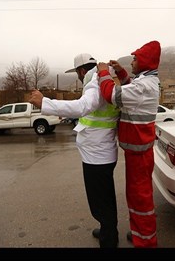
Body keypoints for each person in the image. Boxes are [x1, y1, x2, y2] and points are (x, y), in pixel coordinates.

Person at [29, 54, 120, 248]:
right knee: (104, 199)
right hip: (100, 151)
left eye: (78, 74)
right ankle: (107, 230)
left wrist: (45, 102)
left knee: (101, 203)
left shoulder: (95, 82)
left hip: (98, 155)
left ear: (81, 71)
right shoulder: (104, 79)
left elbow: (83, 106)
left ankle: (109, 240)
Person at [97, 41, 161, 248]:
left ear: (143, 62)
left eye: (135, 59)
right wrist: (120, 71)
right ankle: (139, 234)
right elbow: (130, 87)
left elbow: (113, 95)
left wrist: (104, 73)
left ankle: (146, 242)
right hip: (137, 151)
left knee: (141, 199)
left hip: (140, 154)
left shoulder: (144, 86)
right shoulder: (144, 81)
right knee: (135, 197)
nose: (132, 61)